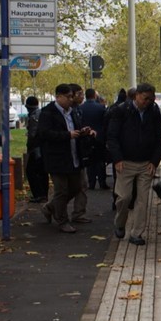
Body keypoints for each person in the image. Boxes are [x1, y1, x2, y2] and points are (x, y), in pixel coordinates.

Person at [106, 83, 161, 245]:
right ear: (137, 95)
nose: (148, 102)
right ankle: (120, 223)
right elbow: (112, 137)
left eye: (151, 100)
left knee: (142, 200)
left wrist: (154, 161)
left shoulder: (153, 112)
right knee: (124, 197)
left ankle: (137, 233)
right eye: (146, 99)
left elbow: (160, 140)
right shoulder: (121, 110)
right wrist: (117, 159)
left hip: (146, 163)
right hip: (125, 163)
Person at [37, 83, 96, 233]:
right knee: (61, 190)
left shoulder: (73, 111)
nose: (71, 99)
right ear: (58, 97)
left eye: (72, 96)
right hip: (57, 158)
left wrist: (83, 132)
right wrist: (67, 135)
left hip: (73, 156)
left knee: (76, 187)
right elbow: (44, 134)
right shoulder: (48, 112)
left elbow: (75, 129)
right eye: (68, 97)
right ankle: (62, 220)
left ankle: (50, 207)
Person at [68, 83, 92, 224]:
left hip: (78, 153)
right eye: (79, 94)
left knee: (82, 184)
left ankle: (79, 213)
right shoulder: (67, 111)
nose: (82, 97)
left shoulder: (78, 110)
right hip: (66, 155)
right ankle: (51, 208)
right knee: (67, 188)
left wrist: (85, 131)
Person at [80, 87, 109, 190]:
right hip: (99, 138)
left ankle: (91, 183)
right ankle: (102, 182)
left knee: (89, 161)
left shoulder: (81, 108)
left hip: (86, 138)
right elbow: (105, 123)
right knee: (100, 161)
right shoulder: (101, 108)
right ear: (94, 96)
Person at [24, 96, 49, 203]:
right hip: (43, 147)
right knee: (42, 172)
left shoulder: (34, 116)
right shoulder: (41, 113)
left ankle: (39, 194)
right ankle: (44, 194)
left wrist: (29, 147)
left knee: (31, 171)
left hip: (36, 148)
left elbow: (32, 134)